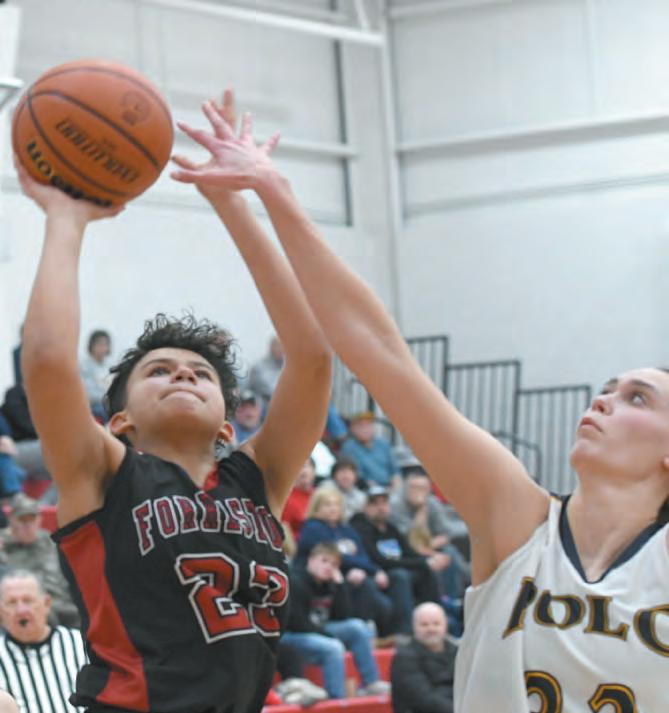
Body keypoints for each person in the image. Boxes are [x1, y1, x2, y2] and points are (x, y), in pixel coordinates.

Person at [172, 104, 669, 711]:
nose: (605, 399)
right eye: (610, 387)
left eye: (637, 398)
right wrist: (274, 192)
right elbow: (383, 354)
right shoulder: (518, 521)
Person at [16, 91, 332, 713]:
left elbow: (314, 358)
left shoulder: (257, 479)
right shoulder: (105, 474)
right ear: (121, 420)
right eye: (159, 371)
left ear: (227, 423)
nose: (184, 374)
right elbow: (48, 361)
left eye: (202, 374)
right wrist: (65, 218)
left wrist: (232, 204)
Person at [282, 543, 391, 699]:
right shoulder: (295, 581)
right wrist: (329, 636)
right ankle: (336, 698)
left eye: (333, 564)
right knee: (333, 647)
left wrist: (340, 586)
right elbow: (296, 623)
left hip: (317, 630)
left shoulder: (329, 584)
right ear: (311, 560)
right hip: (293, 635)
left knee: (358, 628)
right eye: (324, 561)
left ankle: (371, 683)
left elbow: (344, 615)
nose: (328, 567)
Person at [296, 487, 393, 635]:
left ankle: (375, 631)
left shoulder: (346, 529)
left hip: (350, 573)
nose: (333, 508)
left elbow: (363, 555)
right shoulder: (312, 528)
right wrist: (372, 570)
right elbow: (336, 557)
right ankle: (368, 632)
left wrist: (366, 569)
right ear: (316, 507)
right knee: (367, 588)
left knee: (384, 592)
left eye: (336, 504)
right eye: (327, 504)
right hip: (321, 580)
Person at [350, 486, 442, 635]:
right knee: (400, 576)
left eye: (384, 503)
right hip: (379, 573)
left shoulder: (391, 528)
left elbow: (409, 553)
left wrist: (429, 560)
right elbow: (379, 559)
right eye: (375, 503)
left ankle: (437, 620)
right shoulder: (360, 528)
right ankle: (405, 631)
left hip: (398, 567)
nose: (381, 508)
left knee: (426, 571)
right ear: (365, 507)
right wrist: (422, 562)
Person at [0, 570, 87, 713]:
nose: (21, 610)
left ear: (47, 603)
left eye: (28, 600)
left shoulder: (79, 644)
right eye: (11, 603)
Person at [0, 494, 80, 627]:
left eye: (31, 519)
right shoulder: (3, 545)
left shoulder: (51, 542)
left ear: (39, 520)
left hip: (62, 605)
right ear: (11, 521)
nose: (27, 525)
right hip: (22, 609)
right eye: (22, 520)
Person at [390, 602, 456, 713]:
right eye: (424, 625)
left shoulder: (457, 651)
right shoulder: (404, 657)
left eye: (436, 624)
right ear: (414, 626)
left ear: (445, 624)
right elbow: (423, 699)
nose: (431, 629)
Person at [339, 411, 401, 489]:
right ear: (352, 429)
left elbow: (395, 472)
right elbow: (356, 476)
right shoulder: (349, 447)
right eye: (361, 426)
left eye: (368, 425)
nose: (365, 429)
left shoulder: (383, 444)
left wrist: (395, 488)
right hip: (365, 488)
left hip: (390, 487)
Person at [79, 329, 112, 421]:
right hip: (93, 404)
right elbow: (88, 392)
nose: (102, 348)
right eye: (99, 344)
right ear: (92, 346)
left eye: (105, 344)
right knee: (102, 411)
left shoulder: (109, 366)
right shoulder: (84, 366)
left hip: (107, 401)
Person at [282, 456, 317, 540]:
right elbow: (283, 530)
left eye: (307, 466)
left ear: (314, 471)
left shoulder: (320, 494)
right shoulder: (285, 497)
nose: (304, 471)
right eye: (299, 466)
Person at [248, 335, 284, 404]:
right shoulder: (258, 367)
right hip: (264, 403)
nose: (281, 349)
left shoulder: (288, 368)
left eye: (282, 346)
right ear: (271, 347)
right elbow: (259, 390)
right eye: (278, 346)